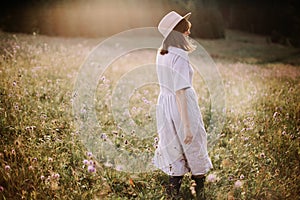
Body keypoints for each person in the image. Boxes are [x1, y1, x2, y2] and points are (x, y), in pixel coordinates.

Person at [153, 11, 213, 199]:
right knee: (193, 142)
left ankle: (174, 192)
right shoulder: (179, 54)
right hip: (181, 103)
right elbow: (180, 90)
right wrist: (187, 125)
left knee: (172, 145)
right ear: (178, 33)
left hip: (164, 104)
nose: (188, 33)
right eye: (185, 30)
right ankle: (200, 190)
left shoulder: (162, 52)